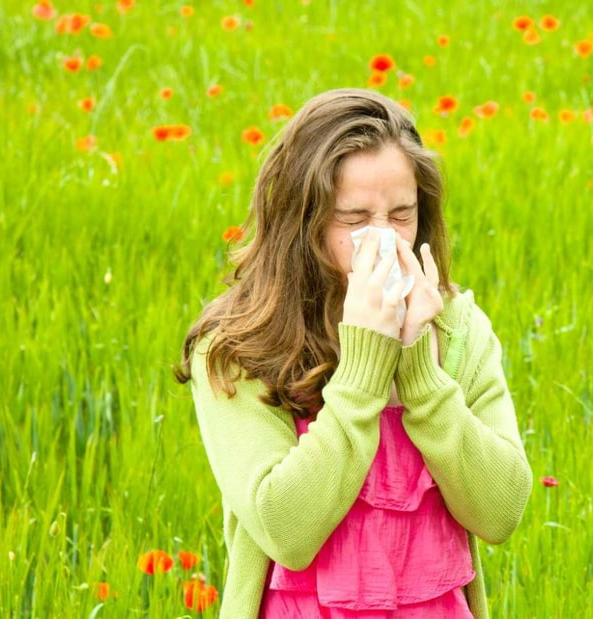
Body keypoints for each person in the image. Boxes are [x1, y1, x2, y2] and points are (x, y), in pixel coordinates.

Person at [174, 88, 532, 618]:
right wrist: (365, 367)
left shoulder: (457, 330)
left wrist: (418, 369)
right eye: (355, 218)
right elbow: (285, 530)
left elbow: (500, 512)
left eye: (402, 215)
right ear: (302, 221)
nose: (384, 240)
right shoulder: (237, 348)